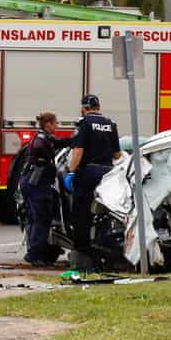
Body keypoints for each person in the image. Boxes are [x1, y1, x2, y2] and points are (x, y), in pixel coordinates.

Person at [66, 93, 122, 270]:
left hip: (88, 172)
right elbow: (117, 154)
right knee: (106, 211)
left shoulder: (85, 123)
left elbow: (78, 151)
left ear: (84, 109)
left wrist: (71, 172)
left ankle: (82, 247)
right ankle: (103, 242)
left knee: (81, 211)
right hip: (107, 173)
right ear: (99, 107)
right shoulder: (110, 124)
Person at [19, 111, 71, 266]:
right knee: (42, 219)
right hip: (37, 184)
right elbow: (43, 153)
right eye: (55, 123)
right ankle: (34, 255)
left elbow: (60, 142)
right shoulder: (41, 141)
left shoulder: (44, 138)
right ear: (48, 124)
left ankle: (35, 253)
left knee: (36, 218)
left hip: (33, 183)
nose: (57, 126)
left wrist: (76, 140)